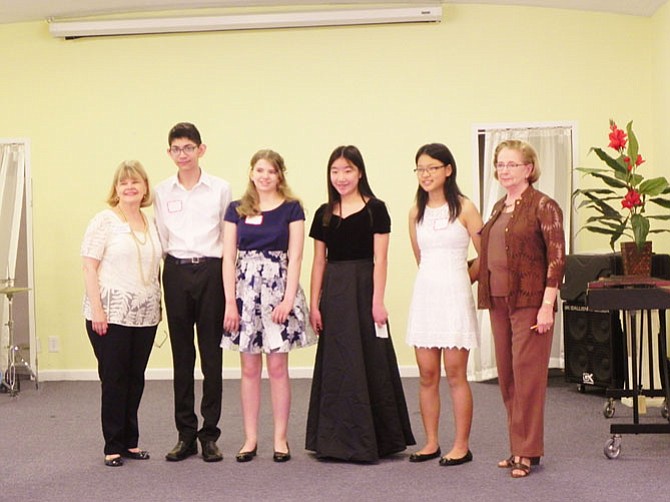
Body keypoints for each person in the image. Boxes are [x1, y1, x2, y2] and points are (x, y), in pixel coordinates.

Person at [305, 145, 415, 463]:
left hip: (365, 288)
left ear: (360, 172)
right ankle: (334, 441)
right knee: (338, 361)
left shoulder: (375, 209)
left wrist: (377, 301)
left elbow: (381, 259)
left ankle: (378, 439)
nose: (341, 177)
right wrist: (315, 304)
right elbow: (318, 263)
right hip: (335, 294)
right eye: (335, 171)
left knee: (371, 359)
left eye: (348, 170)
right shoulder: (323, 214)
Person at [477, 139, 565, 478]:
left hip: (531, 303)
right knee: (508, 378)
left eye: (511, 164)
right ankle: (519, 448)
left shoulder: (544, 206)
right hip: (499, 302)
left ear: (528, 169)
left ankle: (527, 453)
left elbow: (557, 259)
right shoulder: (499, 207)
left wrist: (547, 306)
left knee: (527, 379)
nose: (503, 170)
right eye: (499, 164)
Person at [222, 149, 315, 463]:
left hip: (278, 289)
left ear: (280, 175)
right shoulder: (236, 208)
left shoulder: (292, 208)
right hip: (244, 291)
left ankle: (280, 438)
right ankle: (250, 438)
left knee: (277, 367)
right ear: (251, 173)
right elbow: (227, 258)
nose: (264, 176)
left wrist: (288, 300)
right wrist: (229, 304)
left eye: (271, 171)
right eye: (259, 170)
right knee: (249, 368)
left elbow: (297, 256)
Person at [154, 122, 232, 462]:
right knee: (182, 357)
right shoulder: (161, 191)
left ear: (201, 149)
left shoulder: (220, 189)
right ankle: (185, 433)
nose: (182, 154)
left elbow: (231, 241)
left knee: (212, 356)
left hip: (211, 271)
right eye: (176, 148)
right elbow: (158, 238)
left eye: (188, 147)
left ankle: (209, 434)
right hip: (176, 271)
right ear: (169, 153)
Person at [406, 143, 483, 466]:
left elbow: (486, 255)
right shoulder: (415, 211)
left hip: (454, 295)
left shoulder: (465, 207)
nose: (425, 174)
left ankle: (461, 445)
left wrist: (464, 277)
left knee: (455, 373)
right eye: (420, 169)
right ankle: (431, 442)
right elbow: (420, 258)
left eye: (432, 168)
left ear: (448, 170)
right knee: (426, 374)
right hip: (426, 295)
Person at [82, 160, 161, 467]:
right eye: (123, 183)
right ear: (116, 189)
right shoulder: (104, 221)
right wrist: (98, 310)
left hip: (144, 316)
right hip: (110, 314)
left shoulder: (150, 222)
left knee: (135, 379)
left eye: (135, 182)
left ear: (144, 188)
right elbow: (89, 266)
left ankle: (130, 442)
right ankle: (113, 445)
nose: (129, 187)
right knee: (114, 378)